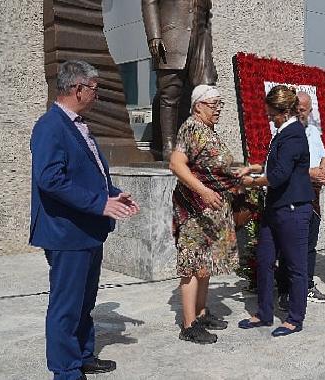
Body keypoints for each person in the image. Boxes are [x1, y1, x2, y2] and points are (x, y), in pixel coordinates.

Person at [30, 60, 140, 380]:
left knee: (84, 301)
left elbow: (88, 176)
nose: (97, 94)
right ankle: (65, 371)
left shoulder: (78, 125)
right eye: (95, 88)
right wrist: (99, 203)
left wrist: (113, 194)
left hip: (87, 231)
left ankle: (82, 355)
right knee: (66, 306)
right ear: (78, 89)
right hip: (67, 233)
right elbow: (50, 180)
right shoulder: (50, 126)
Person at [170, 85, 247, 344]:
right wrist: (203, 191)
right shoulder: (191, 128)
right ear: (198, 105)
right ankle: (189, 325)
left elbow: (219, 165)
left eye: (220, 105)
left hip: (211, 213)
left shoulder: (208, 131)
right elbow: (176, 164)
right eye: (214, 105)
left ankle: (202, 313)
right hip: (194, 210)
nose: (218, 110)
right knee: (192, 266)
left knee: (204, 265)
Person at [238, 85, 314, 337]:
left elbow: (279, 175)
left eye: (272, 114)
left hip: (293, 209)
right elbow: (275, 164)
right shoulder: (284, 132)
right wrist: (254, 168)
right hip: (276, 207)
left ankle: (295, 318)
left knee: (294, 266)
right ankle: (264, 313)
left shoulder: (294, 133)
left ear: (284, 111)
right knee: (264, 260)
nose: (269, 118)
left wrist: (252, 182)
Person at [142, 0, 218, 160]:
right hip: (172, 40)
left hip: (199, 46)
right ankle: (169, 146)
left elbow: (206, 17)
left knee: (206, 93)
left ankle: (204, 144)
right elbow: (149, 2)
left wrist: (207, 46)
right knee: (170, 94)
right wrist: (154, 36)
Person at [276, 91, 325, 309]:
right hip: (291, 198)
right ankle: (284, 292)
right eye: (297, 108)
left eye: (305, 108)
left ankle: (307, 286)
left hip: (312, 198)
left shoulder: (312, 131)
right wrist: (311, 173)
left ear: (310, 111)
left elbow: (324, 156)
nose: (301, 112)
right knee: (288, 246)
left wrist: (324, 168)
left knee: (309, 245)